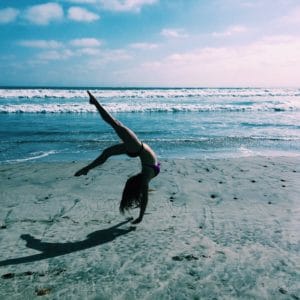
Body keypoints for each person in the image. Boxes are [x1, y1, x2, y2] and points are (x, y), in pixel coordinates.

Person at [75, 91, 160, 224]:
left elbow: (145, 199)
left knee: (115, 124)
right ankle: (87, 169)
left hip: (137, 148)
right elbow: (144, 197)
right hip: (137, 150)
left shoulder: (145, 178)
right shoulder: (146, 176)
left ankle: (96, 103)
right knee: (108, 148)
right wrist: (140, 217)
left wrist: (141, 217)